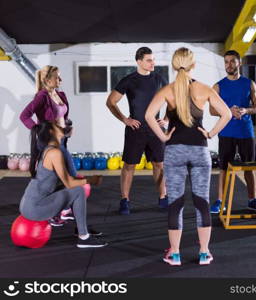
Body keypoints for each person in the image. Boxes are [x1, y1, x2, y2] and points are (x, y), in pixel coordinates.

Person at [145, 47, 231, 266]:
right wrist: (210, 133)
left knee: (176, 203)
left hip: (174, 151)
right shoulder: (204, 89)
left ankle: (174, 253)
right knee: (202, 202)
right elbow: (227, 114)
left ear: (175, 65)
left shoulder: (167, 90)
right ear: (193, 65)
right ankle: (204, 252)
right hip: (200, 150)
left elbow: (148, 116)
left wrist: (164, 138)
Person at [19, 65, 90, 225]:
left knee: (64, 177)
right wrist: (39, 130)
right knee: (64, 177)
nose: (60, 80)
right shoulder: (41, 96)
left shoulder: (60, 94)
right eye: (57, 77)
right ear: (47, 80)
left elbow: (62, 116)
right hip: (48, 142)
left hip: (62, 140)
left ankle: (59, 212)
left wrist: (67, 127)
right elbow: (24, 116)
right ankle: (59, 212)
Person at [19, 121, 107, 248]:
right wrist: (90, 180)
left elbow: (63, 180)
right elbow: (69, 182)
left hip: (29, 204)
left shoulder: (49, 150)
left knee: (73, 188)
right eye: (57, 126)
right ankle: (83, 237)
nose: (61, 127)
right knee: (78, 190)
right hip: (34, 208)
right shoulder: (54, 153)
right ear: (51, 132)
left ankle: (81, 228)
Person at [106, 47, 168, 215]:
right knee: (129, 166)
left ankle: (163, 197)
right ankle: (125, 200)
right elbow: (111, 102)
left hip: (155, 130)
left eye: (153, 59)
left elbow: (172, 100)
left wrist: (167, 119)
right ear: (139, 61)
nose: (152, 63)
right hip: (136, 129)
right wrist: (125, 119)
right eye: (149, 60)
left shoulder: (160, 79)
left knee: (159, 164)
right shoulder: (129, 80)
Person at [209, 50, 256, 214]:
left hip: (245, 132)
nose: (229, 65)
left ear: (239, 63)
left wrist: (245, 110)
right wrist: (228, 110)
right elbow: (212, 110)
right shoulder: (218, 86)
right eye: (226, 62)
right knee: (223, 168)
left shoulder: (249, 84)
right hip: (226, 131)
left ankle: (252, 199)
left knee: (249, 167)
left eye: (232, 61)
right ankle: (220, 201)